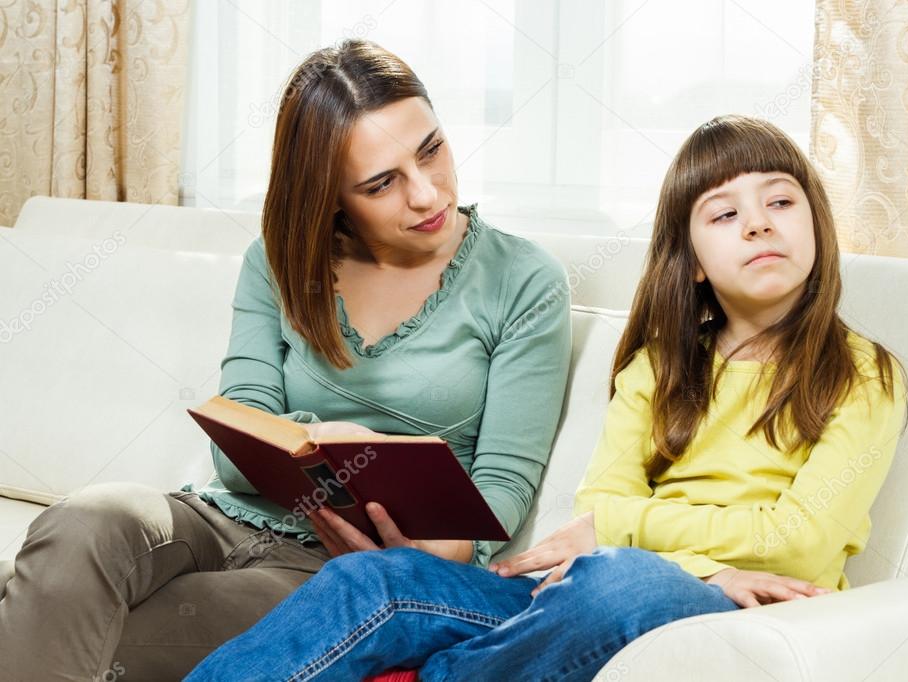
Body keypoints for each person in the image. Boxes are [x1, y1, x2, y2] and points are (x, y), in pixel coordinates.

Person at [184, 114, 908, 682]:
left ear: (814, 222)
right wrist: (689, 557)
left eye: (780, 201)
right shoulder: (658, 367)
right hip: (606, 589)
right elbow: (600, 505)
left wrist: (634, 539)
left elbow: (801, 539)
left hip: (747, 612)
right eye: (723, 214)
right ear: (688, 265)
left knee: (624, 581)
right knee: (375, 576)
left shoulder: (860, 375)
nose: (757, 222)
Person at [0, 40, 571, 681]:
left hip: (333, 571)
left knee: (91, 626)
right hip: (215, 515)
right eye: (382, 182)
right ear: (330, 197)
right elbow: (234, 449)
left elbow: (502, 487)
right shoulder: (277, 261)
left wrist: (423, 554)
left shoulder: (525, 282)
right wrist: (324, 442)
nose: (425, 193)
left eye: (431, 149)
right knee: (81, 520)